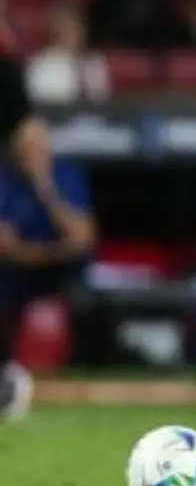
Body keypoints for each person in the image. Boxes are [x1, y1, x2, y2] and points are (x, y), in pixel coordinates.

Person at [0, 120, 95, 421]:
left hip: (63, 270)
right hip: (19, 269)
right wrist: (52, 252)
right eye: (25, 148)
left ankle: (83, 371)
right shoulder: (6, 181)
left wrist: (45, 189)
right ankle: (8, 371)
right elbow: (6, 245)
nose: (30, 154)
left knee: (84, 298)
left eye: (37, 147)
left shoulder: (66, 177)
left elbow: (82, 237)